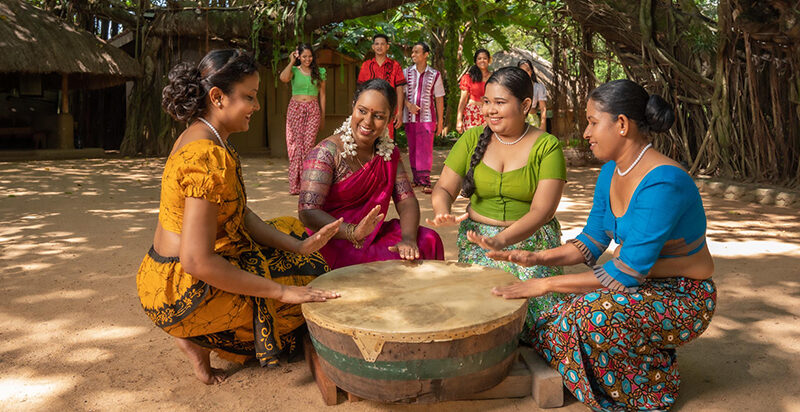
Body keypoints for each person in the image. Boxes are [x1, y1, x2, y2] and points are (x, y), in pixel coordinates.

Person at [489, 79, 716, 411]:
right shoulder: (611, 171)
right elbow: (590, 244)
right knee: (550, 319)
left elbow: (626, 272)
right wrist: (535, 256)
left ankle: (653, 384)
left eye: (593, 122)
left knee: (592, 318)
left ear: (621, 124)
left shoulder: (664, 182)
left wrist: (545, 283)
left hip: (683, 296)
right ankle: (621, 359)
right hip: (639, 284)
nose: (585, 132)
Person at [136, 49, 342, 384]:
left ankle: (202, 331)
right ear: (217, 97)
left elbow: (238, 213)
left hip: (166, 270)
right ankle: (195, 336)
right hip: (181, 291)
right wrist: (278, 292)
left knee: (295, 234)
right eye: (249, 97)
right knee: (303, 296)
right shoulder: (205, 155)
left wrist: (297, 247)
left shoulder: (204, 136)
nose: (256, 107)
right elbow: (196, 261)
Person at [428, 66, 566, 330]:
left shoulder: (547, 146)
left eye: (499, 103)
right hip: (478, 241)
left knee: (539, 321)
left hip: (531, 244)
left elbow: (542, 212)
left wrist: (500, 241)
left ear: (525, 105)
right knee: (478, 315)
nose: (489, 110)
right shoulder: (471, 139)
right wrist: (441, 209)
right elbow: (444, 188)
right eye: (486, 102)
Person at [299, 79, 444, 269]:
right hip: (332, 239)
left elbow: (406, 200)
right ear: (353, 107)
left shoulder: (388, 154)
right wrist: (353, 232)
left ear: (390, 119)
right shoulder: (326, 153)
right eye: (362, 111)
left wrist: (408, 239)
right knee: (383, 262)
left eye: (378, 116)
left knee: (428, 239)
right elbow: (308, 211)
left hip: (370, 235)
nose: (367, 121)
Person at [279, 43, 327, 195]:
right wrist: (292, 61)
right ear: (298, 55)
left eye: (310, 56)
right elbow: (283, 78)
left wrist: (323, 116)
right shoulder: (293, 70)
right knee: (294, 146)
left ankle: (306, 183)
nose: (307, 59)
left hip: (313, 109)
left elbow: (323, 95)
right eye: (304, 56)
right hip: (295, 108)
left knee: (307, 146)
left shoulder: (320, 72)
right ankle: (295, 185)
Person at [402, 41, 445, 194]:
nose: (413, 55)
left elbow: (439, 98)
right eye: (412, 52)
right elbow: (400, 94)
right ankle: (416, 180)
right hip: (409, 118)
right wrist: (408, 105)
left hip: (427, 118)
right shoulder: (405, 72)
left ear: (426, 54)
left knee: (425, 149)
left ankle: (425, 181)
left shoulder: (435, 74)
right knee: (412, 148)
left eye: (416, 52)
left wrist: (440, 122)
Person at [357, 34, 406, 140]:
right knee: (369, 140)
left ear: (387, 47)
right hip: (369, 110)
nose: (379, 46)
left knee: (387, 142)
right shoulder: (366, 65)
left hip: (389, 110)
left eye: (382, 44)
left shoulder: (395, 65)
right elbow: (360, 90)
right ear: (373, 47)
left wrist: (400, 112)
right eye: (377, 44)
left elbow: (399, 89)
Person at [456, 48, 492, 133]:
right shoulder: (468, 77)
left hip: (489, 113)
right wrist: (459, 120)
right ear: (475, 61)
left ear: (489, 60)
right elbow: (463, 100)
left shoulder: (495, 77)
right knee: (473, 142)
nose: (482, 60)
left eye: (485, 58)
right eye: (479, 58)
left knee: (488, 142)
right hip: (472, 113)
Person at [517, 59, 547, 130]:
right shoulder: (515, 87)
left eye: (528, 70)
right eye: (522, 70)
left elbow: (543, 108)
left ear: (531, 71)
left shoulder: (538, 87)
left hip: (533, 120)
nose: (525, 73)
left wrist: (543, 125)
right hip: (517, 120)